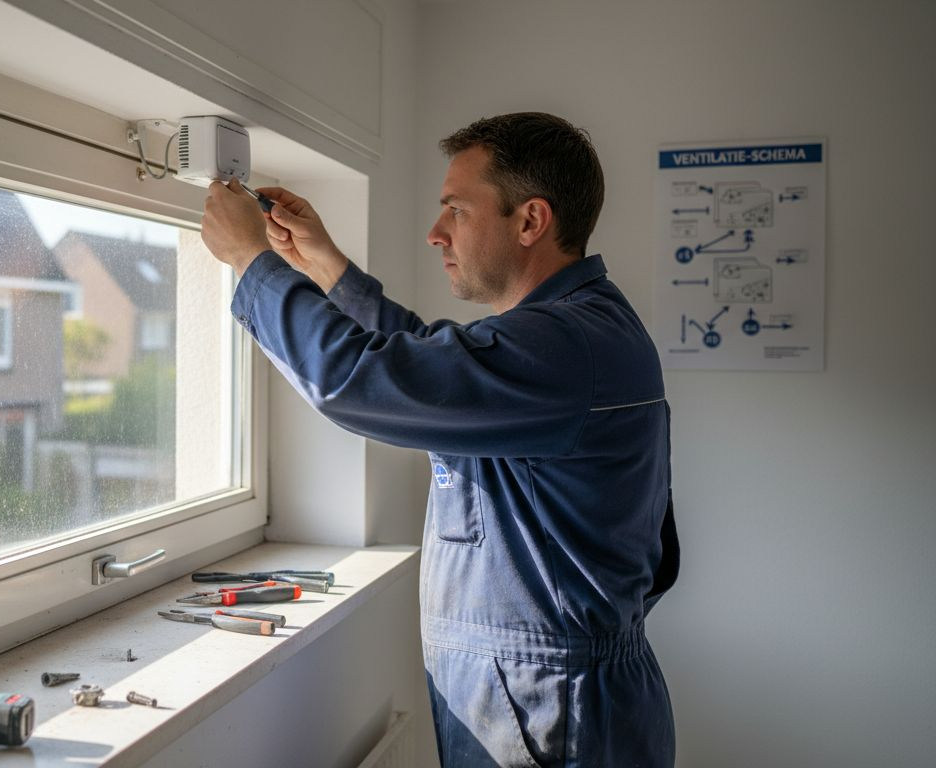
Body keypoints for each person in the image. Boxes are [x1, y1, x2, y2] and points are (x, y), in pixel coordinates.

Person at [199, 111, 680, 767]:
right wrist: (328, 268)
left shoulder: (566, 345)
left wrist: (251, 261)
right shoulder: (573, 330)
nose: (435, 233)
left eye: (456, 210)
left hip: (555, 713)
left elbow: (361, 380)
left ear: (530, 221)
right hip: (548, 696)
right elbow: (436, 366)